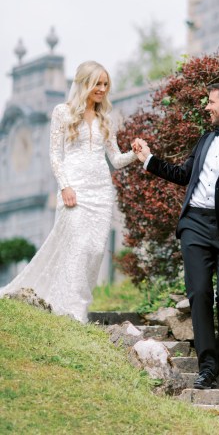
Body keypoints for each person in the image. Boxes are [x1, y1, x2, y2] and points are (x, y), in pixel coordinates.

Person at [134, 80, 219, 389]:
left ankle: (217, 358)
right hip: (194, 224)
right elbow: (184, 175)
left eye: (210, 101)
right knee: (198, 293)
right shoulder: (205, 140)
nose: (206, 106)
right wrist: (149, 160)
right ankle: (207, 366)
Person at [0, 61, 137, 323]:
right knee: (78, 246)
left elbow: (116, 159)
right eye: (97, 83)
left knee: (95, 250)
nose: (102, 88)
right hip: (73, 189)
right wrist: (65, 186)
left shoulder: (105, 118)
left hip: (101, 192)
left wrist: (136, 154)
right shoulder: (62, 112)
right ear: (84, 83)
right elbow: (55, 155)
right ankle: (75, 310)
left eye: (106, 84)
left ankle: (77, 300)